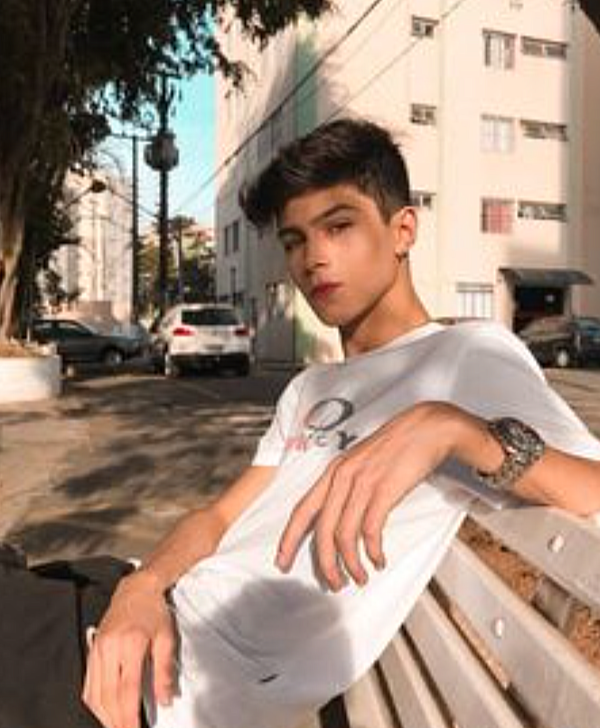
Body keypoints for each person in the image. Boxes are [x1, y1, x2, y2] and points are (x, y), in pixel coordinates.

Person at [2, 118, 600, 728]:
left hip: (167, 677)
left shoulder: (467, 355)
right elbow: (219, 518)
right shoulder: (309, 387)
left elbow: (593, 485)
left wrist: (451, 427)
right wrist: (143, 585)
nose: (313, 258)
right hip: (130, 602)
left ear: (402, 230)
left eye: (339, 227)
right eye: (294, 240)